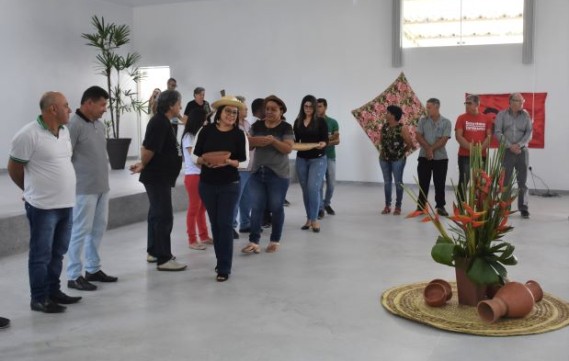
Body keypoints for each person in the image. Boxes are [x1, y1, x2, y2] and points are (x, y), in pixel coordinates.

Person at [8, 91, 81, 313]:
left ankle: (53, 291)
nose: (69, 109)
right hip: (42, 207)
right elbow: (13, 168)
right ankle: (39, 298)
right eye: (66, 106)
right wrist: (28, 190)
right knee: (41, 254)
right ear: (52, 109)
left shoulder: (65, 131)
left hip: (65, 204)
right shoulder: (28, 135)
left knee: (58, 251)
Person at [66, 86, 118, 292]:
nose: (105, 109)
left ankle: (93, 269)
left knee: (98, 229)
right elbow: (65, 157)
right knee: (80, 230)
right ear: (88, 103)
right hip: (83, 188)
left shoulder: (99, 124)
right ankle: (73, 275)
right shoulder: (73, 125)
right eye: (102, 104)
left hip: (101, 187)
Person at [192, 95, 249, 282]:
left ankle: (224, 267)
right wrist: (205, 161)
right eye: (228, 111)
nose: (231, 115)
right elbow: (194, 156)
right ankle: (220, 261)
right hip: (207, 184)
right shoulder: (206, 130)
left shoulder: (239, 134)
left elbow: (244, 161)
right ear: (219, 113)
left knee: (225, 224)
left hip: (229, 185)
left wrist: (228, 162)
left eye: (235, 112)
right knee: (216, 225)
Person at [130, 90, 186, 271]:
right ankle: (164, 258)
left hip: (159, 176)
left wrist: (143, 164)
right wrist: (143, 163)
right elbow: (147, 148)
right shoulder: (159, 123)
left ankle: (154, 251)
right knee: (163, 216)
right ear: (171, 105)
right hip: (157, 177)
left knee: (156, 215)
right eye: (179, 103)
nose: (180, 107)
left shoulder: (164, 122)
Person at [241, 95, 293, 254]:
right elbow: (247, 145)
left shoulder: (286, 127)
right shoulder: (257, 125)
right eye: (267, 109)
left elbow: (288, 148)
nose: (269, 112)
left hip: (278, 174)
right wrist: (257, 141)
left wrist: (273, 141)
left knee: (276, 207)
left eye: (273, 109)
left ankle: (274, 240)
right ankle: (254, 241)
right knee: (256, 207)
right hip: (257, 172)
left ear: (281, 111)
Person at [494, 93, 533, 219]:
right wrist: (510, 145)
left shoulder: (526, 115)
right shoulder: (502, 115)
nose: (521, 104)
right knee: (506, 181)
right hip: (507, 151)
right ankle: (504, 207)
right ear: (510, 102)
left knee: (523, 181)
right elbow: (498, 132)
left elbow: (529, 133)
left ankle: (524, 208)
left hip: (522, 152)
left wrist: (519, 145)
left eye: (523, 102)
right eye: (519, 101)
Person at [294, 95, 328, 232]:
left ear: (314, 107)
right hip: (301, 158)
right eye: (305, 106)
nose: (308, 109)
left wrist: (323, 143)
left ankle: (314, 220)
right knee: (306, 190)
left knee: (313, 189)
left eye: (310, 106)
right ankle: (308, 218)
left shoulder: (320, 122)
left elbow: (325, 140)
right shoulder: (297, 122)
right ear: (303, 107)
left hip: (318, 159)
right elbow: (296, 140)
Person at [415, 98, 452, 216]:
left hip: (440, 158)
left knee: (439, 183)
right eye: (427, 107)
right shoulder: (422, 121)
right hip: (424, 157)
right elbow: (418, 136)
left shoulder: (446, 122)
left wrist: (431, 149)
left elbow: (444, 139)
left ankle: (440, 206)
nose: (427, 109)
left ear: (437, 107)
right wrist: (428, 149)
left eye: (429, 107)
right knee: (423, 183)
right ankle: (421, 206)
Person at [181, 108, 212, 250]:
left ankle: (204, 236)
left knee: (202, 208)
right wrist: (210, 161)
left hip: (202, 174)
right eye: (204, 119)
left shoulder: (199, 135)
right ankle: (192, 239)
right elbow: (194, 158)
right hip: (193, 176)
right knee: (194, 208)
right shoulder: (189, 136)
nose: (206, 122)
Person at [455, 94, 493, 203]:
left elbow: (489, 137)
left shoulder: (486, 119)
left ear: (477, 104)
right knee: (464, 181)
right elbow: (459, 136)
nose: (466, 105)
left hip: (482, 155)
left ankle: (479, 205)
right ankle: (461, 206)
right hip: (465, 155)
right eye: (466, 103)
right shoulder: (461, 118)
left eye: (469, 103)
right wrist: (472, 149)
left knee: (480, 182)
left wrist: (479, 149)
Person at [379, 105, 413, 215]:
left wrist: (401, 153)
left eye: (387, 112)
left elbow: (409, 144)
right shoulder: (384, 127)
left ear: (393, 115)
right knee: (387, 182)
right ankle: (387, 206)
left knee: (398, 182)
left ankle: (398, 206)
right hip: (384, 159)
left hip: (398, 159)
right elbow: (381, 141)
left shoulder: (402, 128)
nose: (386, 114)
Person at [232, 96, 252, 237]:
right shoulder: (233, 127)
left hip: (250, 167)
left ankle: (245, 223)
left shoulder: (247, 124)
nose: (247, 110)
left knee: (247, 197)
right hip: (239, 168)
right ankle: (232, 226)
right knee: (236, 198)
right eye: (244, 109)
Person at [316, 98, 340, 218]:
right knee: (319, 184)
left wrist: (324, 143)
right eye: (316, 106)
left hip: (330, 156)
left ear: (325, 107)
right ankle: (320, 208)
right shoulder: (312, 123)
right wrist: (328, 140)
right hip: (317, 158)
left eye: (320, 106)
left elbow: (337, 140)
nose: (317, 108)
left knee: (331, 184)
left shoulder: (333, 122)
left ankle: (326, 203)